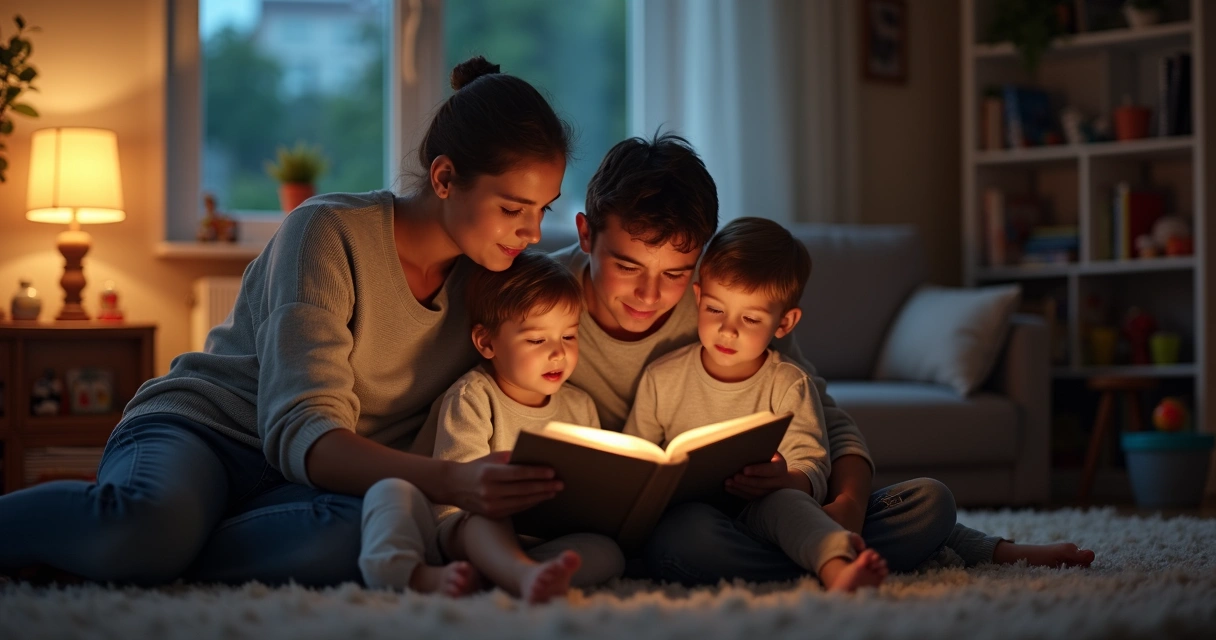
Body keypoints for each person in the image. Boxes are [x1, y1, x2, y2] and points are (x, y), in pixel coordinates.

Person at [0, 56, 574, 587]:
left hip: (309, 485)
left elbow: (587, 285)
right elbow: (306, 431)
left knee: (363, 538)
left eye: (542, 211)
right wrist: (454, 480)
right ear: (445, 179)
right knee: (149, 526)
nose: (530, 232)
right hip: (209, 432)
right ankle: (143, 541)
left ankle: (156, 553)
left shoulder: (501, 279)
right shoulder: (327, 232)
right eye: (511, 208)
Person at [550, 132, 1096, 585]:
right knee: (687, 540)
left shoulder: (724, 304)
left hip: (770, 509)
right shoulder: (534, 304)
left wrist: (849, 506)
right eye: (626, 266)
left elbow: (826, 419)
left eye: (675, 273)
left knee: (927, 504)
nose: (651, 294)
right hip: (681, 525)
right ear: (584, 233)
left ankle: (832, 550)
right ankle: (832, 559)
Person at [624, 217, 888, 591]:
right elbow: (638, 457)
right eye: (715, 310)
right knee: (682, 534)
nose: (728, 329)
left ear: (784, 323)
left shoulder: (789, 383)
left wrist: (787, 480)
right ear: (698, 297)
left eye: (750, 318)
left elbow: (813, 463)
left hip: (768, 511)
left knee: (925, 500)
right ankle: (815, 555)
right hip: (699, 519)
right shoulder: (661, 377)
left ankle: (835, 566)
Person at [360, 252, 624, 601]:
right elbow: (463, 496)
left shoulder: (581, 406)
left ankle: (514, 574)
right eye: (536, 340)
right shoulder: (473, 397)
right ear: (486, 342)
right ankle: (419, 574)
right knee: (392, 492)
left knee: (608, 553)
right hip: (464, 526)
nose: (558, 353)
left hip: (537, 538)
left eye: (569, 337)